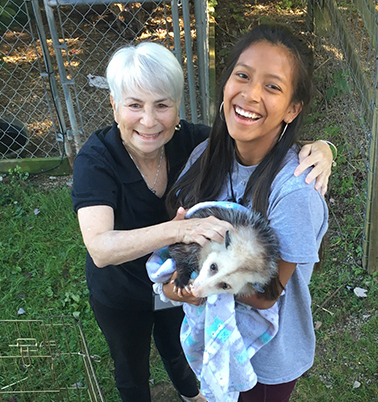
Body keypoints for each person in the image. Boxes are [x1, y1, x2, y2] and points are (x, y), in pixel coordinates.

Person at [71, 41, 332, 402]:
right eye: (134, 105)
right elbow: (100, 248)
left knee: (173, 346)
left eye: (162, 105)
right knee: (130, 365)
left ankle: (192, 394)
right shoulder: (98, 160)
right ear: (114, 106)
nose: (149, 121)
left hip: (187, 287)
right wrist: (179, 237)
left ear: (177, 109)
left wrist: (323, 146)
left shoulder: (193, 146)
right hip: (123, 287)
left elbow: (258, 138)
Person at [165, 24, 329, 402]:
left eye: (272, 86)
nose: (251, 94)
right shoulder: (205, 157)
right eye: (242, 76)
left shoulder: (294, 193)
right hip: (214, 334)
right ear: (225, 84)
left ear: (292, 109)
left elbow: (266, 293)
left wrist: (199, 287)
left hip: (267, 361)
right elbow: (184, 241)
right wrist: (178, 275)